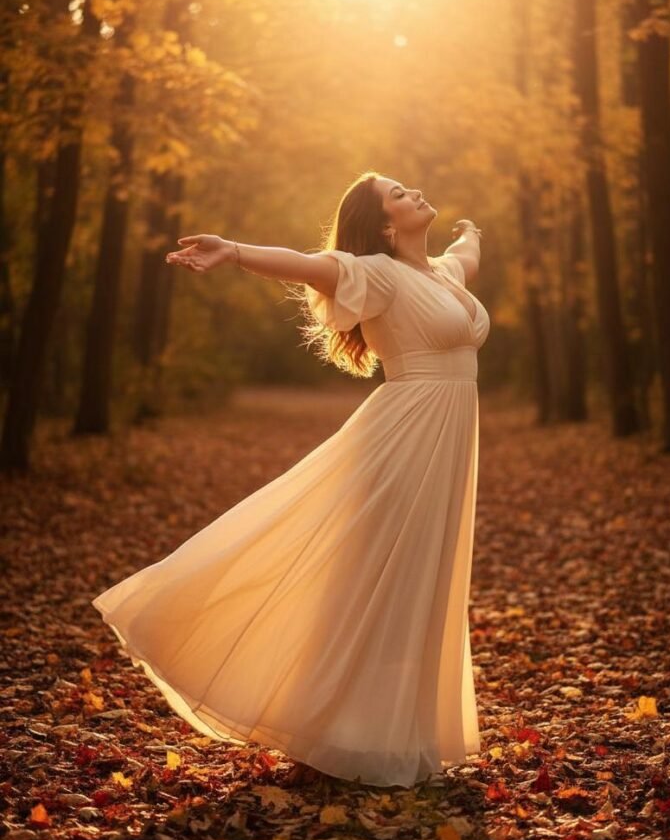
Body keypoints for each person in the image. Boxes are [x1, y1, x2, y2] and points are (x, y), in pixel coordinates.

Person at [91, 170, 489, 790]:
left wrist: (471, 232)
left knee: (424, 576)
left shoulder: (440, 273)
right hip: (404, 438)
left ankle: (394, 729)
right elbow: (305, 265)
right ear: (385, 226)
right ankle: (335, 724)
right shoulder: (377, 273)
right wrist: (233, 251)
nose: (413, 192)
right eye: (398, 194)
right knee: (378, 574)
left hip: (446, 441)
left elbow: (466, 256)